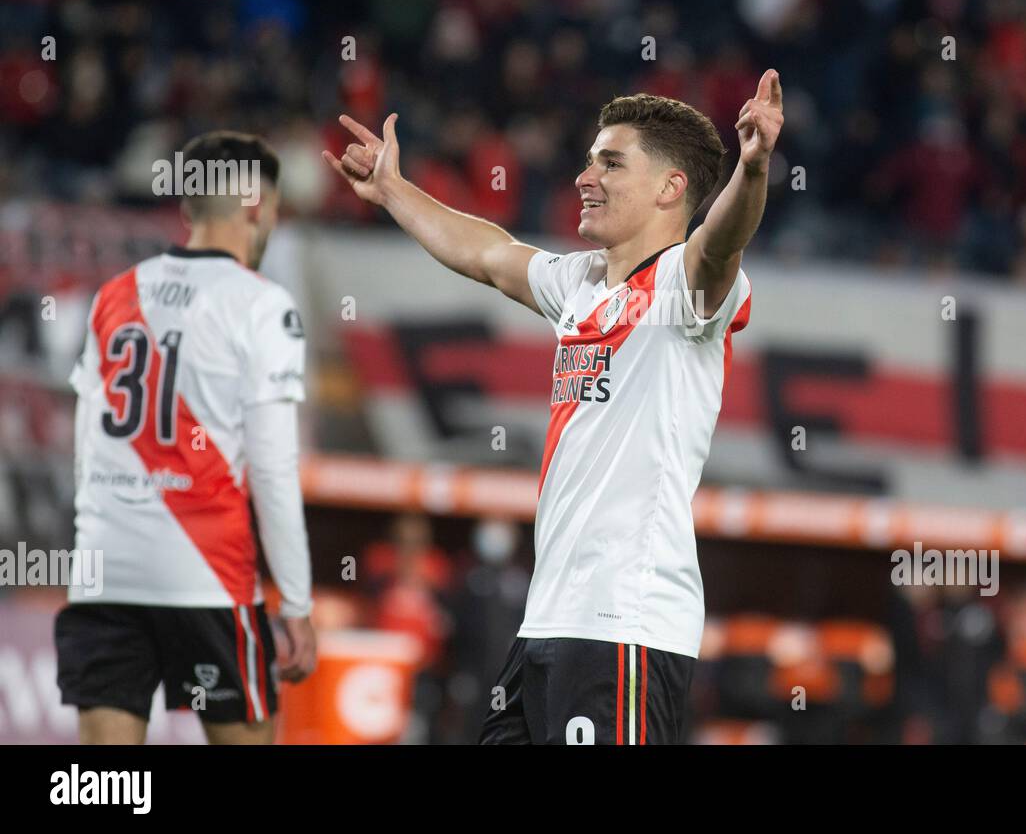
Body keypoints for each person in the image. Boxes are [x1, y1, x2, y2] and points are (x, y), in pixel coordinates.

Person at [323, 71, 784, 743]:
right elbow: (487, 253)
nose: (583, 175)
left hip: (624, 627)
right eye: (590, 157)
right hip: (547, 624)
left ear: (670, 188)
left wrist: (754, 168)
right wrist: (393, 190)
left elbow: (722, 240)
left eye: (610, 161)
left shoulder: (686, 292)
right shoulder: (580, 284)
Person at [56, 131, 316, 744]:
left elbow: (85, 446)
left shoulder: (113, 295)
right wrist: (297, 604)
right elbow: (274, 471)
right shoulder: (263, 306)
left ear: (187, 208)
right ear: (256, 207)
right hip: (207, 577)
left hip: (104, 574)